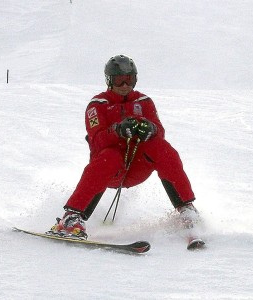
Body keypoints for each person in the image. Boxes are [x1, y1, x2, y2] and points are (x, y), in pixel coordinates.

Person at [48, 55, 200, 240]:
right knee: (109, 157)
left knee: (162, 148)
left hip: (137, 166)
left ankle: (186, 209)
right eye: (119, 80)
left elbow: (159, 130)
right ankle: (72, 217)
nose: (125, 85)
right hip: (111, 169)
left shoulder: (144, 102)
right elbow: (96, 141)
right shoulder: (97, 105)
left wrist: (151, 129)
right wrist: (117, 130)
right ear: (109, 81)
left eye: (129, 80)